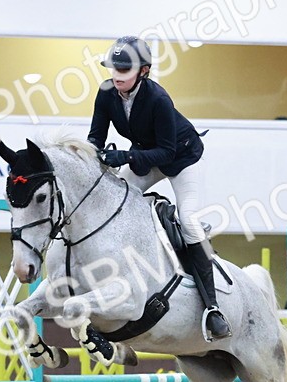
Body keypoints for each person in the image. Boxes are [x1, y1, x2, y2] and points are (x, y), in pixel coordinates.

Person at [87, 35, 229, 341]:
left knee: (189, 222)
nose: (116, 76)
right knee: (113, 199)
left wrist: (125, 156)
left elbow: (166, 152)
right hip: (146, 157)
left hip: (183, 159)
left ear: (144, 71)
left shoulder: (159, 99)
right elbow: (95, 136)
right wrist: (88, 157)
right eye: (114, 69)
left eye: (124, 71)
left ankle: (212, 308)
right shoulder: (107, 92)